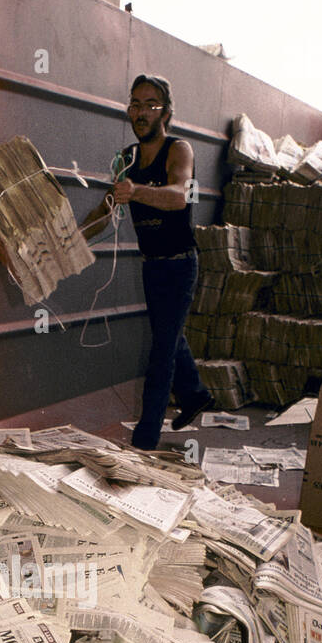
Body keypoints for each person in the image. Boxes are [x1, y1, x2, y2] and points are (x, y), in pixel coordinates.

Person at [83, 74, 211, 450]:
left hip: (180, 264)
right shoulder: (127, 159)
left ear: (166, 112)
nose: (141, 112)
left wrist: (137, 191)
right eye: (135, 104)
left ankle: (144, 441)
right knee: (169, 337)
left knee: (161, 353)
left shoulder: (179, 150)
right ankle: (196, 395)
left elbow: (179, 197)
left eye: (150, 104)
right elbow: (106, 210)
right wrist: (72, 236)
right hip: (152, 264)